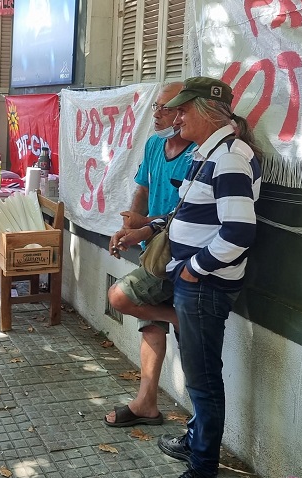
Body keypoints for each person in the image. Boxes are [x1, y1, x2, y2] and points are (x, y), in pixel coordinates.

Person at [112, 77, 262, 478]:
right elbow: (185, 215)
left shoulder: (231, 157)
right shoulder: (208, 153)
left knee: (203, 381)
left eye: (181, 110)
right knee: (201, 374)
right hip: (190, 282)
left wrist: (194, 269)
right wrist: (148, 227)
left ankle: (202, 474)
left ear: (204, 110)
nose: (174, 117)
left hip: (204, 286)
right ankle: (196, 441)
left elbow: (239, 231)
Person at [103, 82, 195, 427]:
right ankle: (147, 402)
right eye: (156, 106)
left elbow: (184, 215)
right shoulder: (156, 144)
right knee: (151, 323)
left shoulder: (199, 155)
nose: (157, 114)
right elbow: (142, 189)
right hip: (152, 248)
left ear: (187, 111)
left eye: (167, 108)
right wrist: (131, 227)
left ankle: (184, 318)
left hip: (179, 254)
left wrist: (145, 226)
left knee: (120, 296)